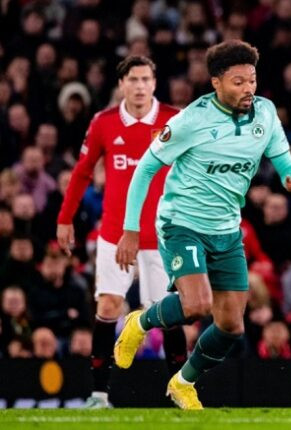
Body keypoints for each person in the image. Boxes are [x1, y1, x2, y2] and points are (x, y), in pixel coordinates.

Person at [113, 40, 291, 410]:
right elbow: (145, 169)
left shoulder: (265, 114)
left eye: (252, 80)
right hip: (181, 223)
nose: (248, 89)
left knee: (231, 326)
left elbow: (282, 157)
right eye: (238, 82)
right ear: (216, 83)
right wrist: (130, 228)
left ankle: (182, 382)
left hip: (227, 229)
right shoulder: (192, 120)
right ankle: (139, 323)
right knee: (195, 305)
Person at [56, 56, 187, 409]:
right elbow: (83, 171)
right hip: (115, 235)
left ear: (155, 83)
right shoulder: (104, 123)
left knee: (168, 314)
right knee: (109, 305)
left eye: (146, 79)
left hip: (162, 237)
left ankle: (179, 393)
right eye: (134, 79)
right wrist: (65, 218)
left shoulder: (175, 120)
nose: (141, 86)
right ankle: (99, 395)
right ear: (122, 85)